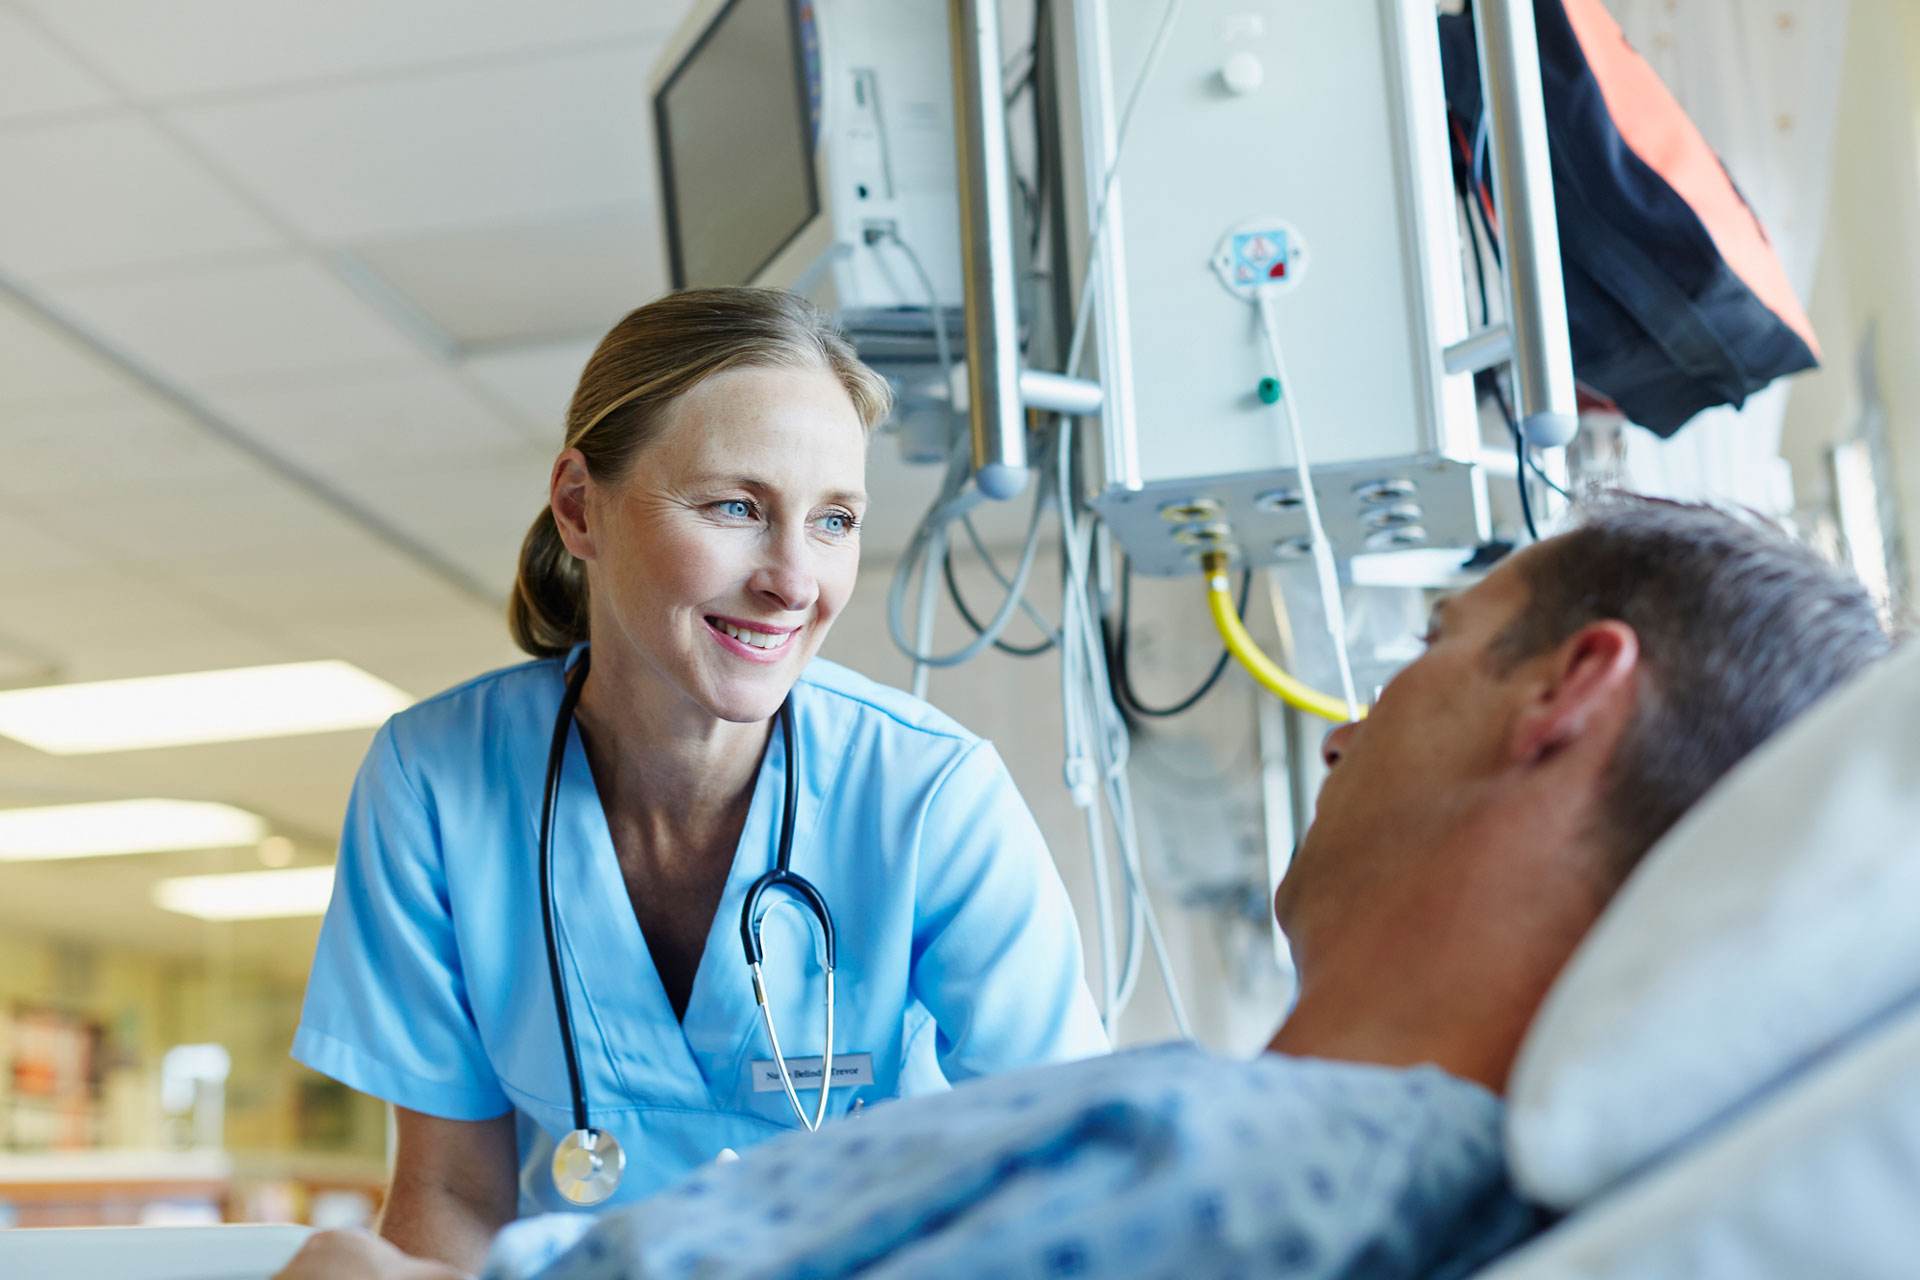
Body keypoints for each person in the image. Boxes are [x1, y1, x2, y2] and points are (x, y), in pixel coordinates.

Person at [279, 497, 1891, 1280]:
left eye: (1427, 652)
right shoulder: (1357, 1170)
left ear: (1570, 694)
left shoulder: (1236, 1164)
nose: (1348, 723)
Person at [291, 289, 1108, 1271]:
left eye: (835, 520)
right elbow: (451, 1191)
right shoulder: (434, 782)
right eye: (736, 507)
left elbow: (1077, 1173)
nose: (795, 578)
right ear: (579, 506)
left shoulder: (927, 794)